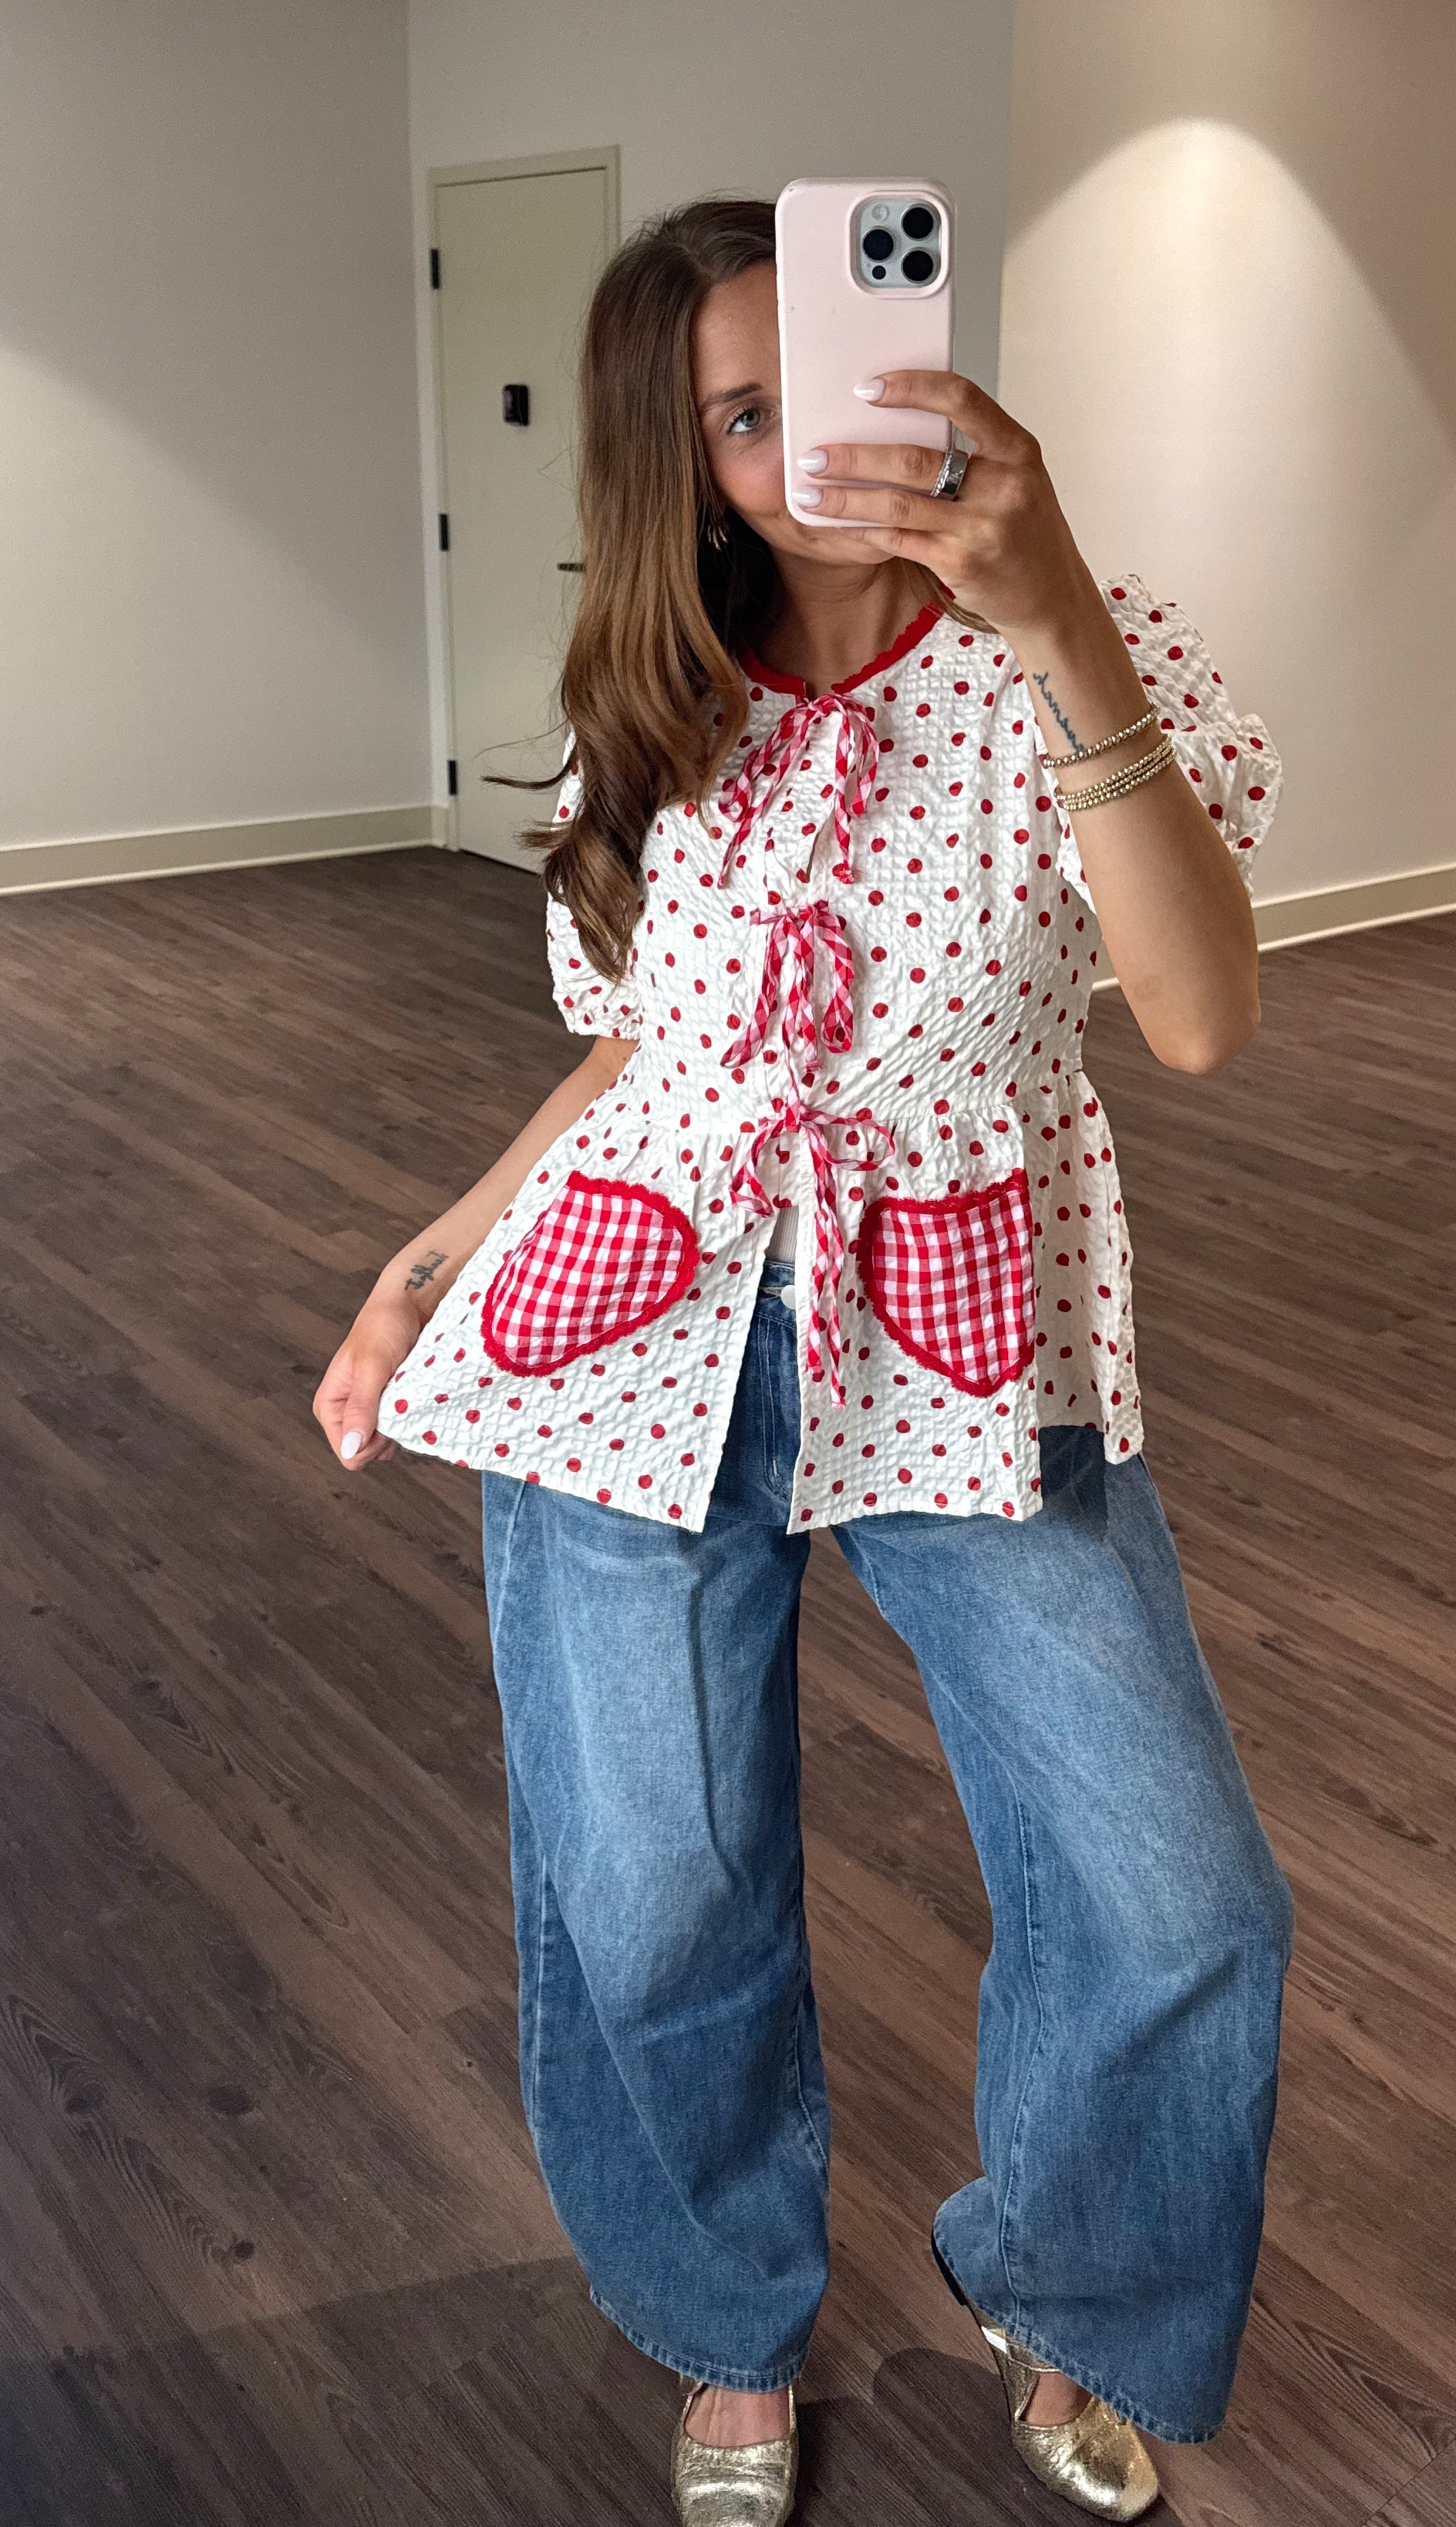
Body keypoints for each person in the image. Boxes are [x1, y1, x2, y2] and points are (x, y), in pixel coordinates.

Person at [313, 197, 1294, 2526]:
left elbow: (1199, 1018)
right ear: (687, 459)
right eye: (740, 417)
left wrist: (1046, 609)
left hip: (970, 1325)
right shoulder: (653, 697)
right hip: (634, 1324)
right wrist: (445, 1243)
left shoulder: (1087, 644)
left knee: (1177, 1897)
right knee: (655, 1898)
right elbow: (641, 1059)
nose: (803, 450)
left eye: (831, 384)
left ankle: (1078, 2288)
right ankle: (725, 2326)